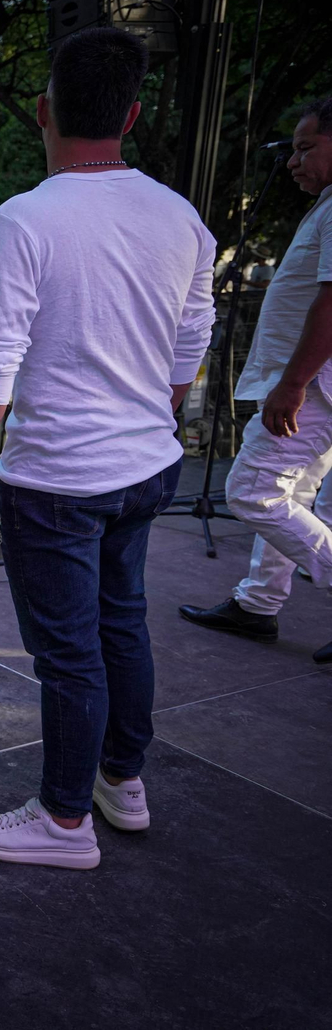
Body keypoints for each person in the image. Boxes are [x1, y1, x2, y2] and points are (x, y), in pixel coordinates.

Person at [0, 28, 216, 868]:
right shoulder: (181, 217)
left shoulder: (27, 218)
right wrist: (147, 416)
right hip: (147, 465)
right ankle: (121, 781)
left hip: (59, 475)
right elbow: (191, 339)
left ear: (43, 112)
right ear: (130, 116)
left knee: (70, 652)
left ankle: (64, 821)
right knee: (122, 625)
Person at [177, 95, 332, 665]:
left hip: (312, 384)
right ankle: (258, 603)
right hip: (311, 380)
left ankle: (259, 602)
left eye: (305, 148)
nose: (292, 161)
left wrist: (292, 383)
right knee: (295, 494)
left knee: (252, 491)